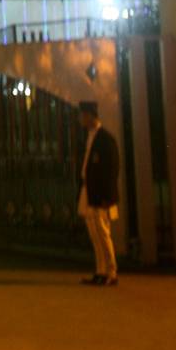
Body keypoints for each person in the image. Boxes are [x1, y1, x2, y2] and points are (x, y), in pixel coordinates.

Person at [77, 100, 120, 286]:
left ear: (90, 116)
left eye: (82, 115)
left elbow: (112, 170)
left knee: (102, 233)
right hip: (89, 190)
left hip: (99, 194)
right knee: (95, 233)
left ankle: (111, 272)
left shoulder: (105, 139)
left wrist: (107, 197)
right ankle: (101, 270)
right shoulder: (91, 136)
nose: (80, 119)